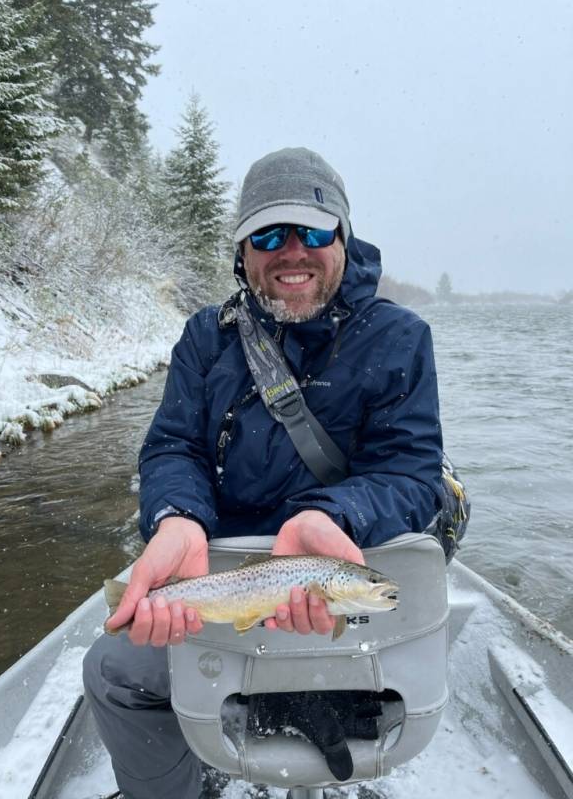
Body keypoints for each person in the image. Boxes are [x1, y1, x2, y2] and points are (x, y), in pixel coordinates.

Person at [83, 147, 445, 799]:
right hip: (218, 581)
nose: (292, 252)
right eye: (269, 236)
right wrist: (177, 518)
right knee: (113, 672)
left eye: (312, 232)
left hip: (339, 583)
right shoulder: (205, 337)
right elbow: (172, 449)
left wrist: (330, 515)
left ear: (343, 235)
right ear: (243, 250)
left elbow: (413, 475)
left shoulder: (400, 338)